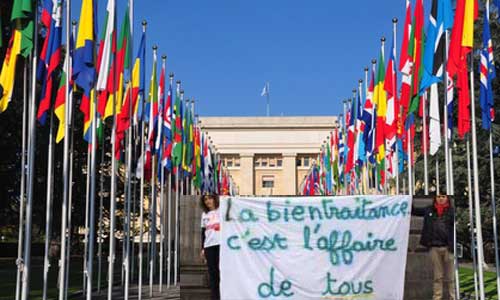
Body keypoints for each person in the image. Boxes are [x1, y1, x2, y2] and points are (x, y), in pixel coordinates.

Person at [412, 194, 456, 300]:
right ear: (435, 198)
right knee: (438, 276)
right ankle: (437, 297)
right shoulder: (429, 210)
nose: (441, 198)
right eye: (438, 196)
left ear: (447, 198)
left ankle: (452, 297)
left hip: (448, 248)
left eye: (443, 196)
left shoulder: (452, 211)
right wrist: (408, 200)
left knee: (450, 277)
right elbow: (415, 211)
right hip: (434, 248)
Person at [200, 194, 221, 300]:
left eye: (210, 198)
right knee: (213, 274)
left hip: (221, 246)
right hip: (209, 247)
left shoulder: (222, 210)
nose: (208, 201)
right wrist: (202, 248)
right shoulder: (204, 214)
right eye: (205, 199)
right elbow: (203, 232)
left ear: (215, 199)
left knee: (223, 272)